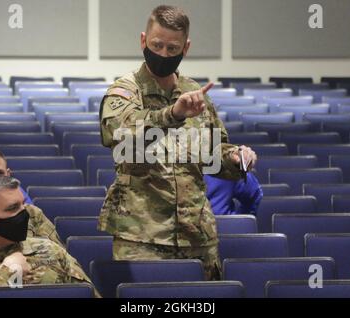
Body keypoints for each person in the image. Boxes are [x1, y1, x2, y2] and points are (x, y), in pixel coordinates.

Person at [99, 5, 257, 280]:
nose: (163, 54)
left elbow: (213, 154)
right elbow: (119, 133)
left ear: (186, 48)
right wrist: (172, 114)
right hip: (142, 237)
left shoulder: (196, 94)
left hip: (196, 234)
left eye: (172, 49)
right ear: (142, 41)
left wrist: (235, 158)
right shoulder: (125, 91)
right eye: (156, 45)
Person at [0, 175, 100, 298]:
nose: (25, 212)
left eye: (22, 204)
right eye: (13, 208)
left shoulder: (52, 250)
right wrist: (7, 274)